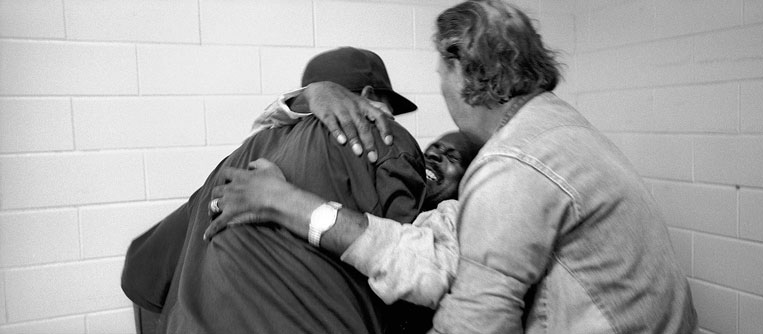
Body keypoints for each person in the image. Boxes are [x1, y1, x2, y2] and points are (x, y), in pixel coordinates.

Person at [208, 1, 697, 333]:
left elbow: (472, 311)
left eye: (440, 74)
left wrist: (289, 203)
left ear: (463, 68)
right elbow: (437, 255)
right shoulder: (554, 131)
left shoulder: (514, 164)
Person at [122, 46, 430, 334]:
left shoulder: (231, 166)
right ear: (369, 96)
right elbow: (412, 283)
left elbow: (138, 273)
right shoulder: (381, 138)